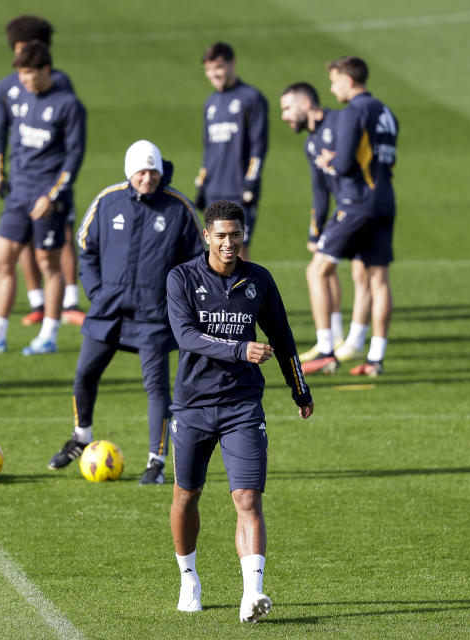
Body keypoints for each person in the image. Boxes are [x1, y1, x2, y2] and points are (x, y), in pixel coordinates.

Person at [165, 201, 314, 622]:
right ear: (207, 237)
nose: (229, 243)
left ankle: (253, 594)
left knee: (248, 498)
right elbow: (187, 337)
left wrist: (300, 390)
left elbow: (283, 338)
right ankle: (189, 576)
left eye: (235, 235)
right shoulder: (182, 278)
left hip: (242, 406)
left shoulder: (259, 281)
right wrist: (239, 349)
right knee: (185, 496)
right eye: (221, 236)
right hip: (192, 406)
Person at [47, 140, 202, 485]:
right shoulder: (107, 201)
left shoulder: (178, 207)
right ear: (130, 172)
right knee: (84, 375)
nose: (148, 178)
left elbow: (198, 261)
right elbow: (86, 247)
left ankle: (156, 462)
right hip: (108, 312)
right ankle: (81, 436)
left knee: (157, 390)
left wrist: (176, 303)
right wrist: (97, 292)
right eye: (141, 172)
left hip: (153, 317)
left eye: (153, 172)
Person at [0, 41, 86, 357]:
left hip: (48, 198)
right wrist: (0, 174)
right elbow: (4, 136)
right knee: (2, 260)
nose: (24, 79)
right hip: (19, 193)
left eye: (29, 73)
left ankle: (49, 334)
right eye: (20, 73)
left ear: (45, 70)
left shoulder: (68, 104)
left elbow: (74, 156)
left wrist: (53, 195)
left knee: (48, 262)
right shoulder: (19, 97)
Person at [304, 56, 399, 376]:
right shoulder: (387, 112)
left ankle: (326, 350)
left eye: (333, 81)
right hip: (386, 199)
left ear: (347, 80)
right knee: (378, 279)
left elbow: (343, 165)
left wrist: (329, 158)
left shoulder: (352, 113)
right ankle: (375, 358)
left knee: (317, 269)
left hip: (358, 202)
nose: (332, 88)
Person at [0, 16, 84, 329]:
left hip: (52, 186)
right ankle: (36, 303)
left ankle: (67, 303)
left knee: (58, 245)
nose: (23, 72)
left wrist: (55, 191)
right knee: (15, 251)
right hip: (21, 185)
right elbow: (1, 131)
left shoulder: (62, 91)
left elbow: (72, 148)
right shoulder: (9, 88)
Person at [279, 82, 373, 366]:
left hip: (359, 205)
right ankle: (339, 340)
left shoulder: (341, 121)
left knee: (323, 271)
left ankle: (329, 347)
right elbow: (320, 191)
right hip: (345, 210)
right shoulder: (310, 142)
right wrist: (315, 230)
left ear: (306, 103)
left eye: (287, 108)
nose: (284, 116)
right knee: (341, 271)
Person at [195, 42, 268, 261]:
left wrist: (250, 183)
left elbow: (259, 146)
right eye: (208, 69)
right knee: (214, 252)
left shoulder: (251, 98)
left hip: (238, 190)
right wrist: (202, 183)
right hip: (214, 190)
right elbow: (208, 150)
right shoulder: (211, 103)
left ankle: (244, 296)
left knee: (238, 249)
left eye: (217, 67)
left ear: (232, 64)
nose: (213, 74)